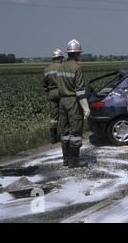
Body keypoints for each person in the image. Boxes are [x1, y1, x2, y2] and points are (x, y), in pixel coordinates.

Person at [56, 39, 90, 168]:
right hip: (73, 102)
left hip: (62, 101)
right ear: (76, 54)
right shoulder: (77, 68)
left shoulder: (61, 67)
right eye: (79, 53)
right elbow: (80, 91)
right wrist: (86, 108)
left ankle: (66, 160)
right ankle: (74, 161)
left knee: (64, 132)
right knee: (75, 132)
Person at [42, 48, 64, 144]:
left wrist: (48, 93)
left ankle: (53, 137)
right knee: (64, 114)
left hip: (51, 93)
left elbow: (44, 84)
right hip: (62, 93)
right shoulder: (63, 67)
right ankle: (65, 134)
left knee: (53, 116)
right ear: (59, 58)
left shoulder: (47, 69)